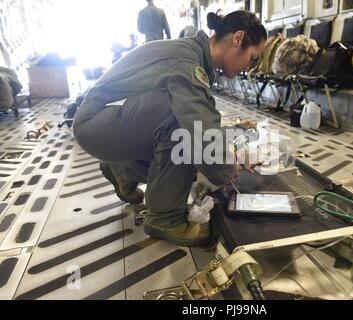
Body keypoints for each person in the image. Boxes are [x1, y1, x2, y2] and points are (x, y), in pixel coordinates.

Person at [73, 10, 267, 247]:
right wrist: (226, 165)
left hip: (106, 122)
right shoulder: (186, 61)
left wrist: (223, 152)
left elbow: (204, 120)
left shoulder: (193, 56)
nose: (251, 65)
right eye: (253, 57)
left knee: (189, 132)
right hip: (97, 123)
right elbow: (198, 124)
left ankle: (124, 170)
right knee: (183, 122)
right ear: (238, 39)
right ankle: (165, 219)